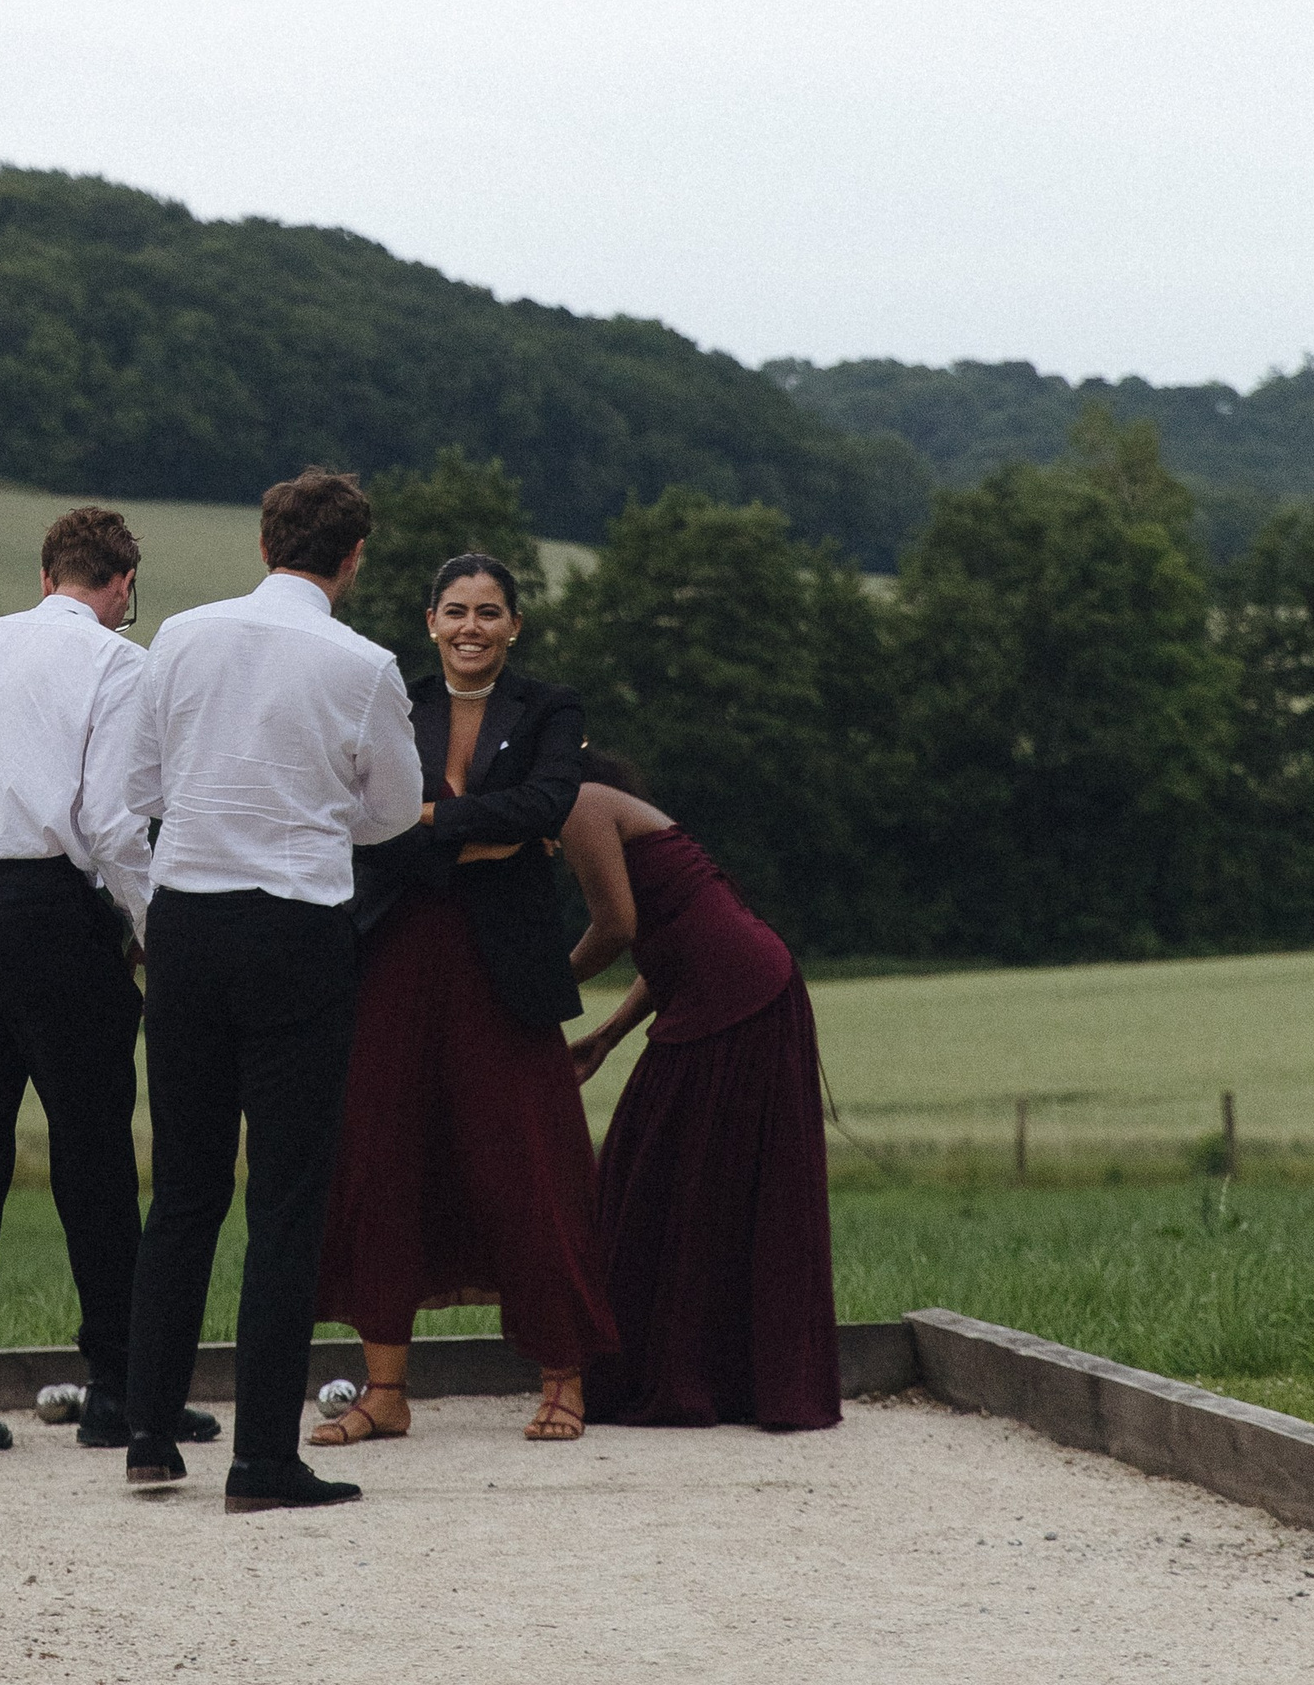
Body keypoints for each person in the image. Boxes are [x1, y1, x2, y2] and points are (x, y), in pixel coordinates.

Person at [79, 465, 423, 1513]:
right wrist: (312, 807)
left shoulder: (180, 636)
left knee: (185, 1187)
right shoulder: (363, 664)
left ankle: (148, 1430)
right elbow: (393, 811)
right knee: (285, 1197)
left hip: (185, 921)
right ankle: (262, 1456)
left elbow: (138, 787)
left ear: (264, 544)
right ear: (351, 559)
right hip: (296, 925)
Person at [0, 505, 218, 1461]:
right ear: (122, 587)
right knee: (93, 1154)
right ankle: (120, 1390)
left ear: (44, 576)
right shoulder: (118, 664)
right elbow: (111, 824)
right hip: (50, 916)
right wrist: (154, 927)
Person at [311, 550, 616, 1450]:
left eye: (488, 612)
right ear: (431, 622)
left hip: (505, 970)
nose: (471, 628)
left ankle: (563, 1377)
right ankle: (385, 1391)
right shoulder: (394, 704)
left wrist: (432, 819)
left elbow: (546, 806)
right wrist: (481, 836)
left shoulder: (551, 707)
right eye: (455, 611)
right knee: (382, 1157)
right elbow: (364, 828)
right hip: (396, 957)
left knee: (531, 1163)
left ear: (515, 625)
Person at [561, 751, 841, 1430]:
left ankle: (686, 1377)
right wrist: (608, 1036)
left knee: (661, 1173)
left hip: (741, 1000)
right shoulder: (613, 809)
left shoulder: (582, 802)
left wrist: (540, 986)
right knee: (671, 1177)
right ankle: (711, 1376)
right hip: (732, 993)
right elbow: (670, 942)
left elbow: (617, 927)